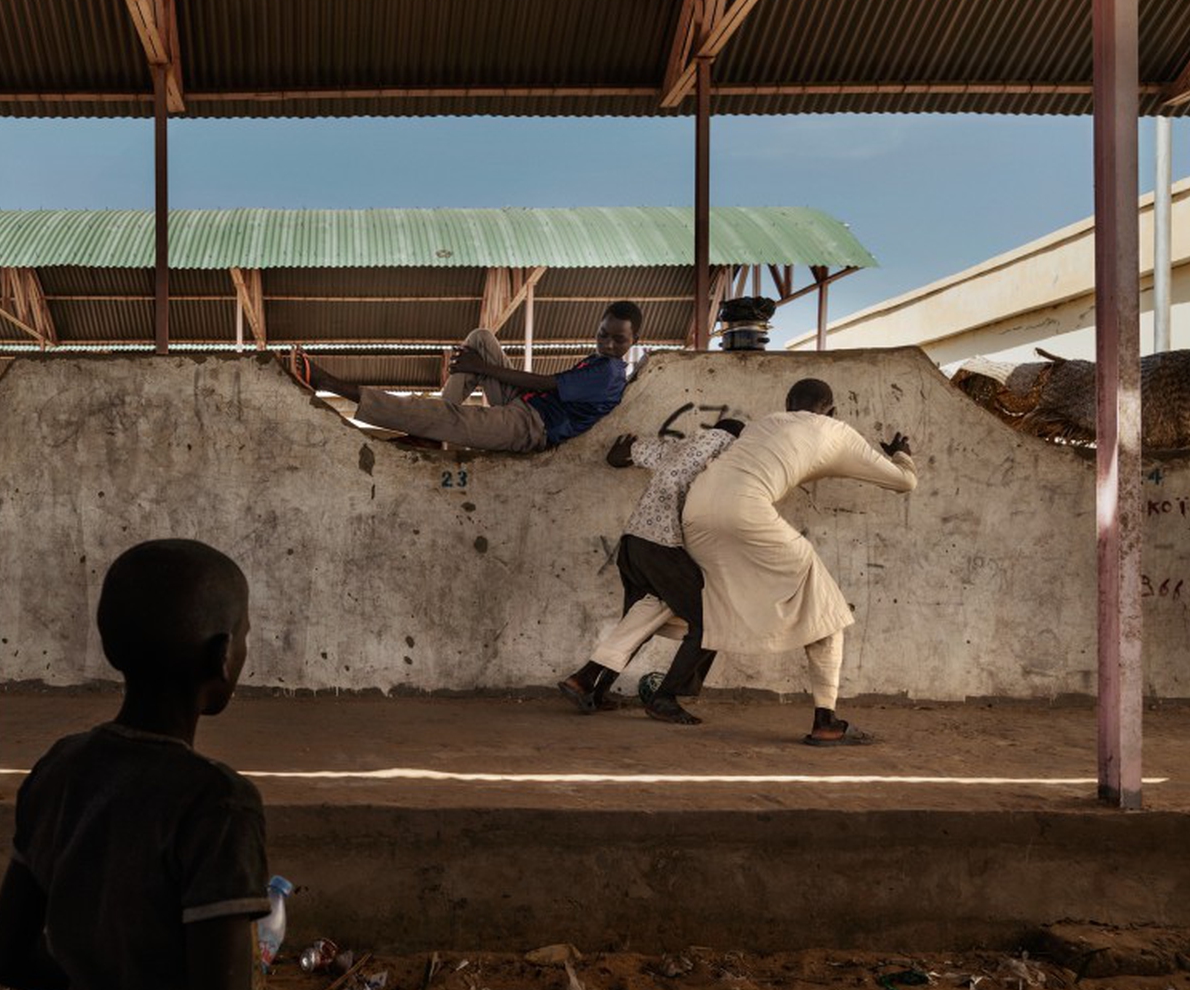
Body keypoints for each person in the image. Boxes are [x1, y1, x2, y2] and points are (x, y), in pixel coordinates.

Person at [0, 539, 473, 990]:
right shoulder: (217, 802)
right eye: (244, 634)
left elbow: (6, 959)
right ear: (221, 656)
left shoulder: (58, 769)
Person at [682, 378, 917, 746]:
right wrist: (901, 455)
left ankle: (630, 676)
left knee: (712, 594)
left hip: (695, 513)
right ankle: (826, 721)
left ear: (788, 404)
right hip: (745, 511)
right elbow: (905, 482)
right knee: (829, 615)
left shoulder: (763, 424)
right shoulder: (837, 431)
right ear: (832, 411)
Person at [561, 419, 745, 725]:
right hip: (664, 546)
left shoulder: (679, 446)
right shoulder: (730, 453)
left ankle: (588, 684)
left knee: (638, 623)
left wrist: (624, 448)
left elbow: (616, 457)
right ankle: (664, 698)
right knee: (711, 622)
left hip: (633, 544)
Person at [279, 302, 641, 453]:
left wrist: (481, 369)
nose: (609, 343)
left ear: (634, 340)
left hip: (531, 428)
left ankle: (329, 384)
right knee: (481, 338)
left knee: (447, 415)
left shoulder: (610, 373)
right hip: (525, 405)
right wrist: (479, 363)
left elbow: (547, 384)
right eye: (603, 334)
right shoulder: (597, 360)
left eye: (619, 339)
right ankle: (433, 433)